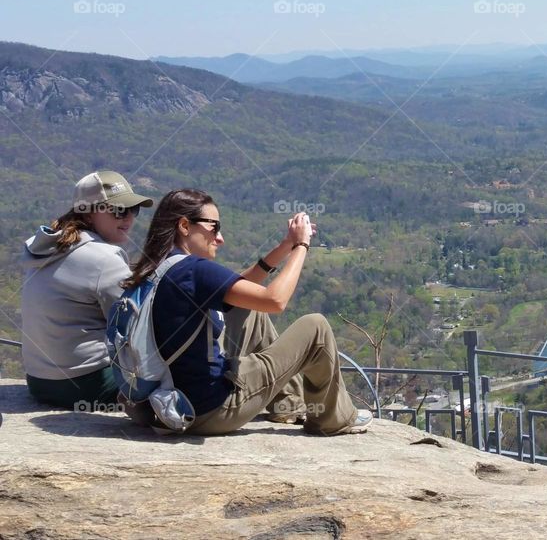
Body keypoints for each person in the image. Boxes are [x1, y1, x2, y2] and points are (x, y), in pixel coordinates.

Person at [123, 188, 371, 436]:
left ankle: (288, 405)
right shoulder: (193, 271)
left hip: (170, 401)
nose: (219, 238)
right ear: (185, 226)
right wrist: (302, 246)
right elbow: (275, 300)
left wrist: (285, 246)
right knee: (316, 327)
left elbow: (242, 288)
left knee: (249, 309)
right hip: (212, 411)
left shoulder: (157, 268)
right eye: (214, 227)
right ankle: (332, 420)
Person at [20, 171, 154, 409]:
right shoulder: (105, 258)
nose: (128, 219)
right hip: (88, 384)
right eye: (119, 211)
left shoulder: (47, 248)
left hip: (39, 383)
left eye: (133, 210)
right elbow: (137, 326)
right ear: (90, 213)